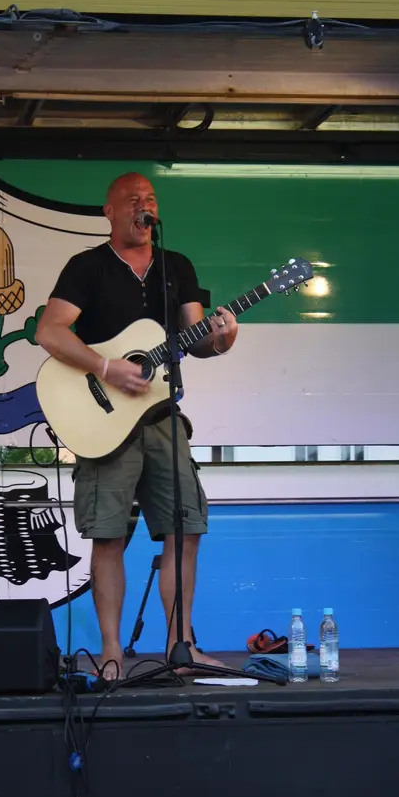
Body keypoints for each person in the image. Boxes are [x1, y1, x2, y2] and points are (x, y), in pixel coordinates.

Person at [37, 172, 237, 681]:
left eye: (149, 200)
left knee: (185, 528)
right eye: (132, 201)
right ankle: (110, 653)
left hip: (164, 418)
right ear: (109, 212)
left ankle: (181, 648)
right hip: (104, 420)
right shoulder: (88, 267)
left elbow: (197, 338)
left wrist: (223, 337)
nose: (143, 207)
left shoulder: (176, 266)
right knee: (108, 536)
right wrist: (105, 367)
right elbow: (50, 331)